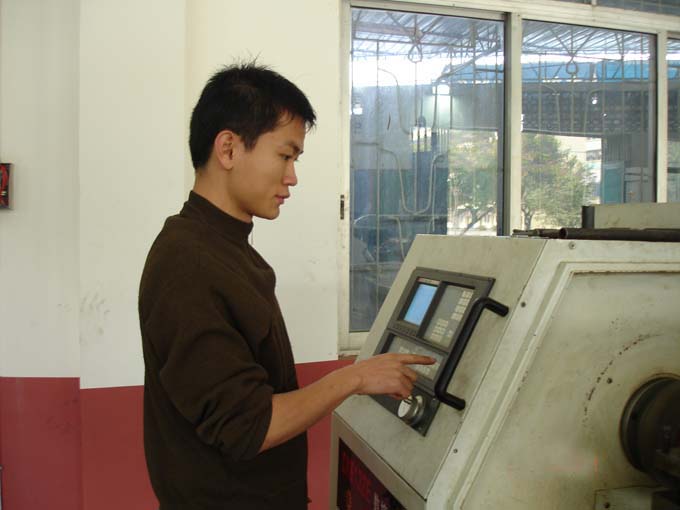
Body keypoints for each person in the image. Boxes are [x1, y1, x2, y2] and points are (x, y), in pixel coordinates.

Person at [138, 62, 433, 510]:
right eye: (285, 155)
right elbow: (249, 426)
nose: (292, 176)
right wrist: (354, 377)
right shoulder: (187, 264)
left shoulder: (226, 249)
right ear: (228, 148)